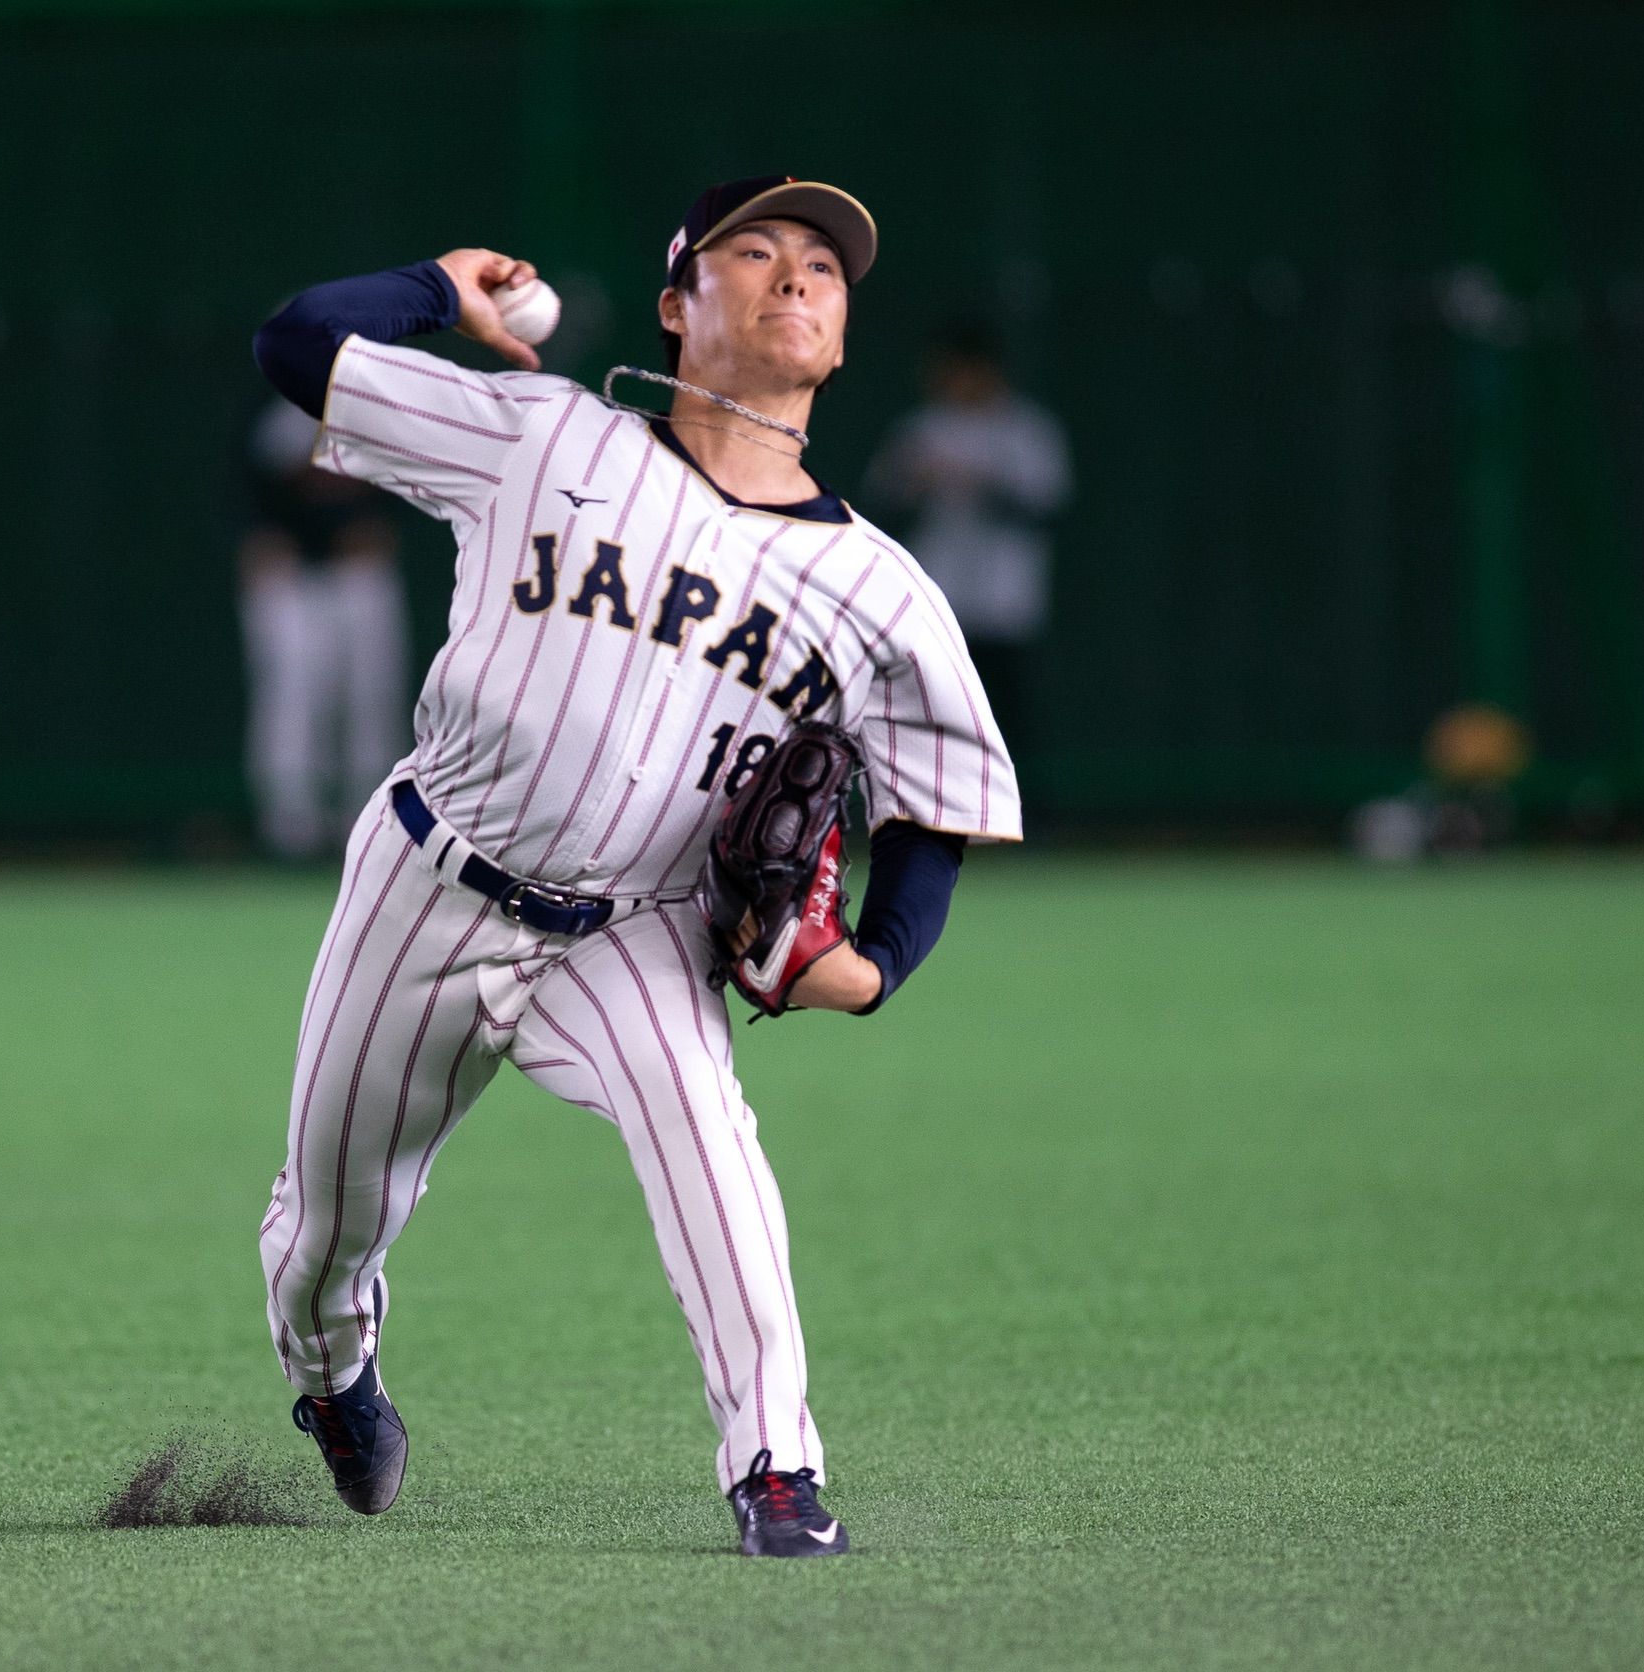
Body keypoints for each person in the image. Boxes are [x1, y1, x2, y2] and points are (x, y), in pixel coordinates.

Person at [247, 177, 1020, 1558]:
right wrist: (438, 287)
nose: (796, 278)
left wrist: (882, 963)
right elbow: (299, 345)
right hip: (428, 883)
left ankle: (777, 1471)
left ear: (840, 345)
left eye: (825, 273)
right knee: (325, 1232)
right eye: (756, 253)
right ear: (677, 307)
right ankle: (332, 1376)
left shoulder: (886, 591)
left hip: (636, 927)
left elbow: (933, 810)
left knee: (715, 1154)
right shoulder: (544, 436)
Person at [864, 321, 1070, 754]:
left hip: (1004, 598)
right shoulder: (922, 429)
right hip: (938, 595)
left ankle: (1023, 811)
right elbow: (880, 509)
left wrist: (983, 484)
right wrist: (916, 488)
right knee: (934, 708)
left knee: (1007, 712)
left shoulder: (1024, 429)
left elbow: (1046, 509)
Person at [237, 398, 408, 859]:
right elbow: (245, 486)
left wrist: (384, 526)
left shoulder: (379, 398)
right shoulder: (266, 405)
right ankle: (290, 828)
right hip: (290, 577)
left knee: (371, 699)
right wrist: (256, 535)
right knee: (291, 700)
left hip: (361, 571)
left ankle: (371, 824)